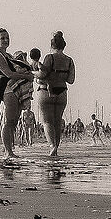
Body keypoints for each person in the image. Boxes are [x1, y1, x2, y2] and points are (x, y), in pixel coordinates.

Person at [37, 32, 76, 160]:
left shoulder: (49, 57)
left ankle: (52, 145)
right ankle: (56, 148)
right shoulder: (69, 60)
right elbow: (71, 80)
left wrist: (34, 73)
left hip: (46, 91)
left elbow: (42, 75)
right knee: (57, 121)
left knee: (47, 121)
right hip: (62, 91)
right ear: (63, 46)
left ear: (52, 45)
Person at [0, 42, 38, 162]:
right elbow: (11, 75)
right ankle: (8, 151)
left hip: (18, 93)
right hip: (11, 91)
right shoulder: (13, 65)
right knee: (9, 121)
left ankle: (10, 149)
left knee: (13, 122)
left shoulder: (23, 65)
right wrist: (26, 75)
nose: (23, 59)